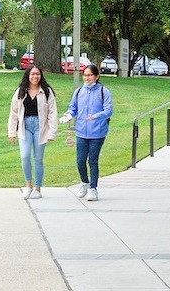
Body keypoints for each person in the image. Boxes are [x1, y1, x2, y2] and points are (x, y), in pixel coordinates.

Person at [6, 63, 57, 198]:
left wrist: (52, 132)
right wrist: (12, 132)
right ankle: (28, 185)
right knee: (24, 156)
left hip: (41, 127)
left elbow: (52, 113)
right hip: (25, 127)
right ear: (28, 76)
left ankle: (38, 188)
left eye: (38, 74)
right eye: (33, 74)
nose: (35, 76)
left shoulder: (46, 91)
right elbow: (14, 113)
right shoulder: (20, 92)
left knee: (38, 159)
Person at [64, 64, 113, 202]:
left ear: (96, 76)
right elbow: (73, 108)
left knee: (93, 160)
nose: (86, 78)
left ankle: (93, 188)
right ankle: (84, 182)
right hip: (81, 132)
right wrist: (68, 115)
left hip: (97, 132)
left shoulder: (103, 91)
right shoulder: (79, 91)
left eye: (90, 75)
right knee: (80, 161)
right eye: (84, 75)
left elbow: (109, 111)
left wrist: (96, 116)